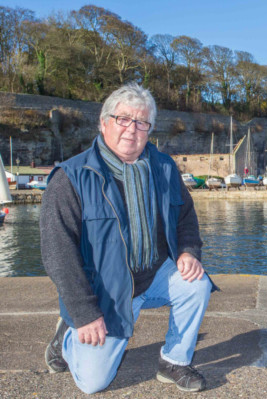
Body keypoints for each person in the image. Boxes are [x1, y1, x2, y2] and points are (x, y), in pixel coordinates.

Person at [40, 82, 217, 394]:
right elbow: (58, 253)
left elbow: (185, 216)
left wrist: (188, 251)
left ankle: (174, 360)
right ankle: (64, 339)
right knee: (94, 383)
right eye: (124, 119)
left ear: (149, 130)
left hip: (154, 274)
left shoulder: (163, 167)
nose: (132, 129)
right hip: (106, 289)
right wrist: (83, 313)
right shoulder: (71, 177)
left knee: (197, 284)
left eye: (141, 122)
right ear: (104, 122)